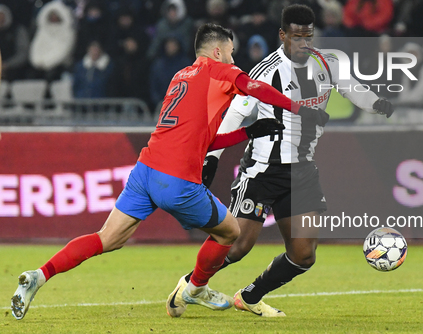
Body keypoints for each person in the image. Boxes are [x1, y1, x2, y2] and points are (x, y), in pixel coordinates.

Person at [10, 23, 330, 320]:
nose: (235, 59)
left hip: (145, 171)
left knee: (106, 237)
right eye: (231, 52)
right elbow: (255, 87)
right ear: (217, 51)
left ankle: (40, 275)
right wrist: (299, 108)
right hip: (177, 180)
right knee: (230, 232)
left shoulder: (181, 76)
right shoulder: (220, 69)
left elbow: (201, 140)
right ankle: (196, 288)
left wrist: (249, 132)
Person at [167, 5, 395, 318]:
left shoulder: (328, 63)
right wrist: (213, 156)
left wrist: (378, 103)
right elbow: (236, 113)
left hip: (302, 171)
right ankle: (190, 285)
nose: (303, 43)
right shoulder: (266, 72)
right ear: (282, 35)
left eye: (308, 37)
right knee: (237, 246)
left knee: (303, 255)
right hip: (262, 170)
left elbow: (353, 89)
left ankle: (250, 295)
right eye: (297, 37)